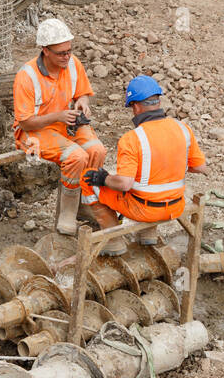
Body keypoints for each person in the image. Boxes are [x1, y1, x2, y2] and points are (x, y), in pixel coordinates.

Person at [81, 75, 206, 252]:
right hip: (176, 206)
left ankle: (112, 241)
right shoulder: (182, 128)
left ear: (136, 106)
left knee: (87, 179)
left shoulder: (133, 139)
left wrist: (103, 178)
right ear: (157, 102)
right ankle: (148, 234)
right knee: (147, 176)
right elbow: (200, 167)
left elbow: (124, 184)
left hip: (144, 210)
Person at [12, 17, 107, 235]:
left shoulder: (72, 64)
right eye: (61, 53)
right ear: (45, 51)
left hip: (66, 123)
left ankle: (87, 203)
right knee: (76, 156)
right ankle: (68, 211)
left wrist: (83, 101)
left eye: (69, 51)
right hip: (34, 131)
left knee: (97, 150)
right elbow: (25, 121)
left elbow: (81, 91)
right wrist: (58, 116)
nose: (67, 56)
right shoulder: (26, 77)